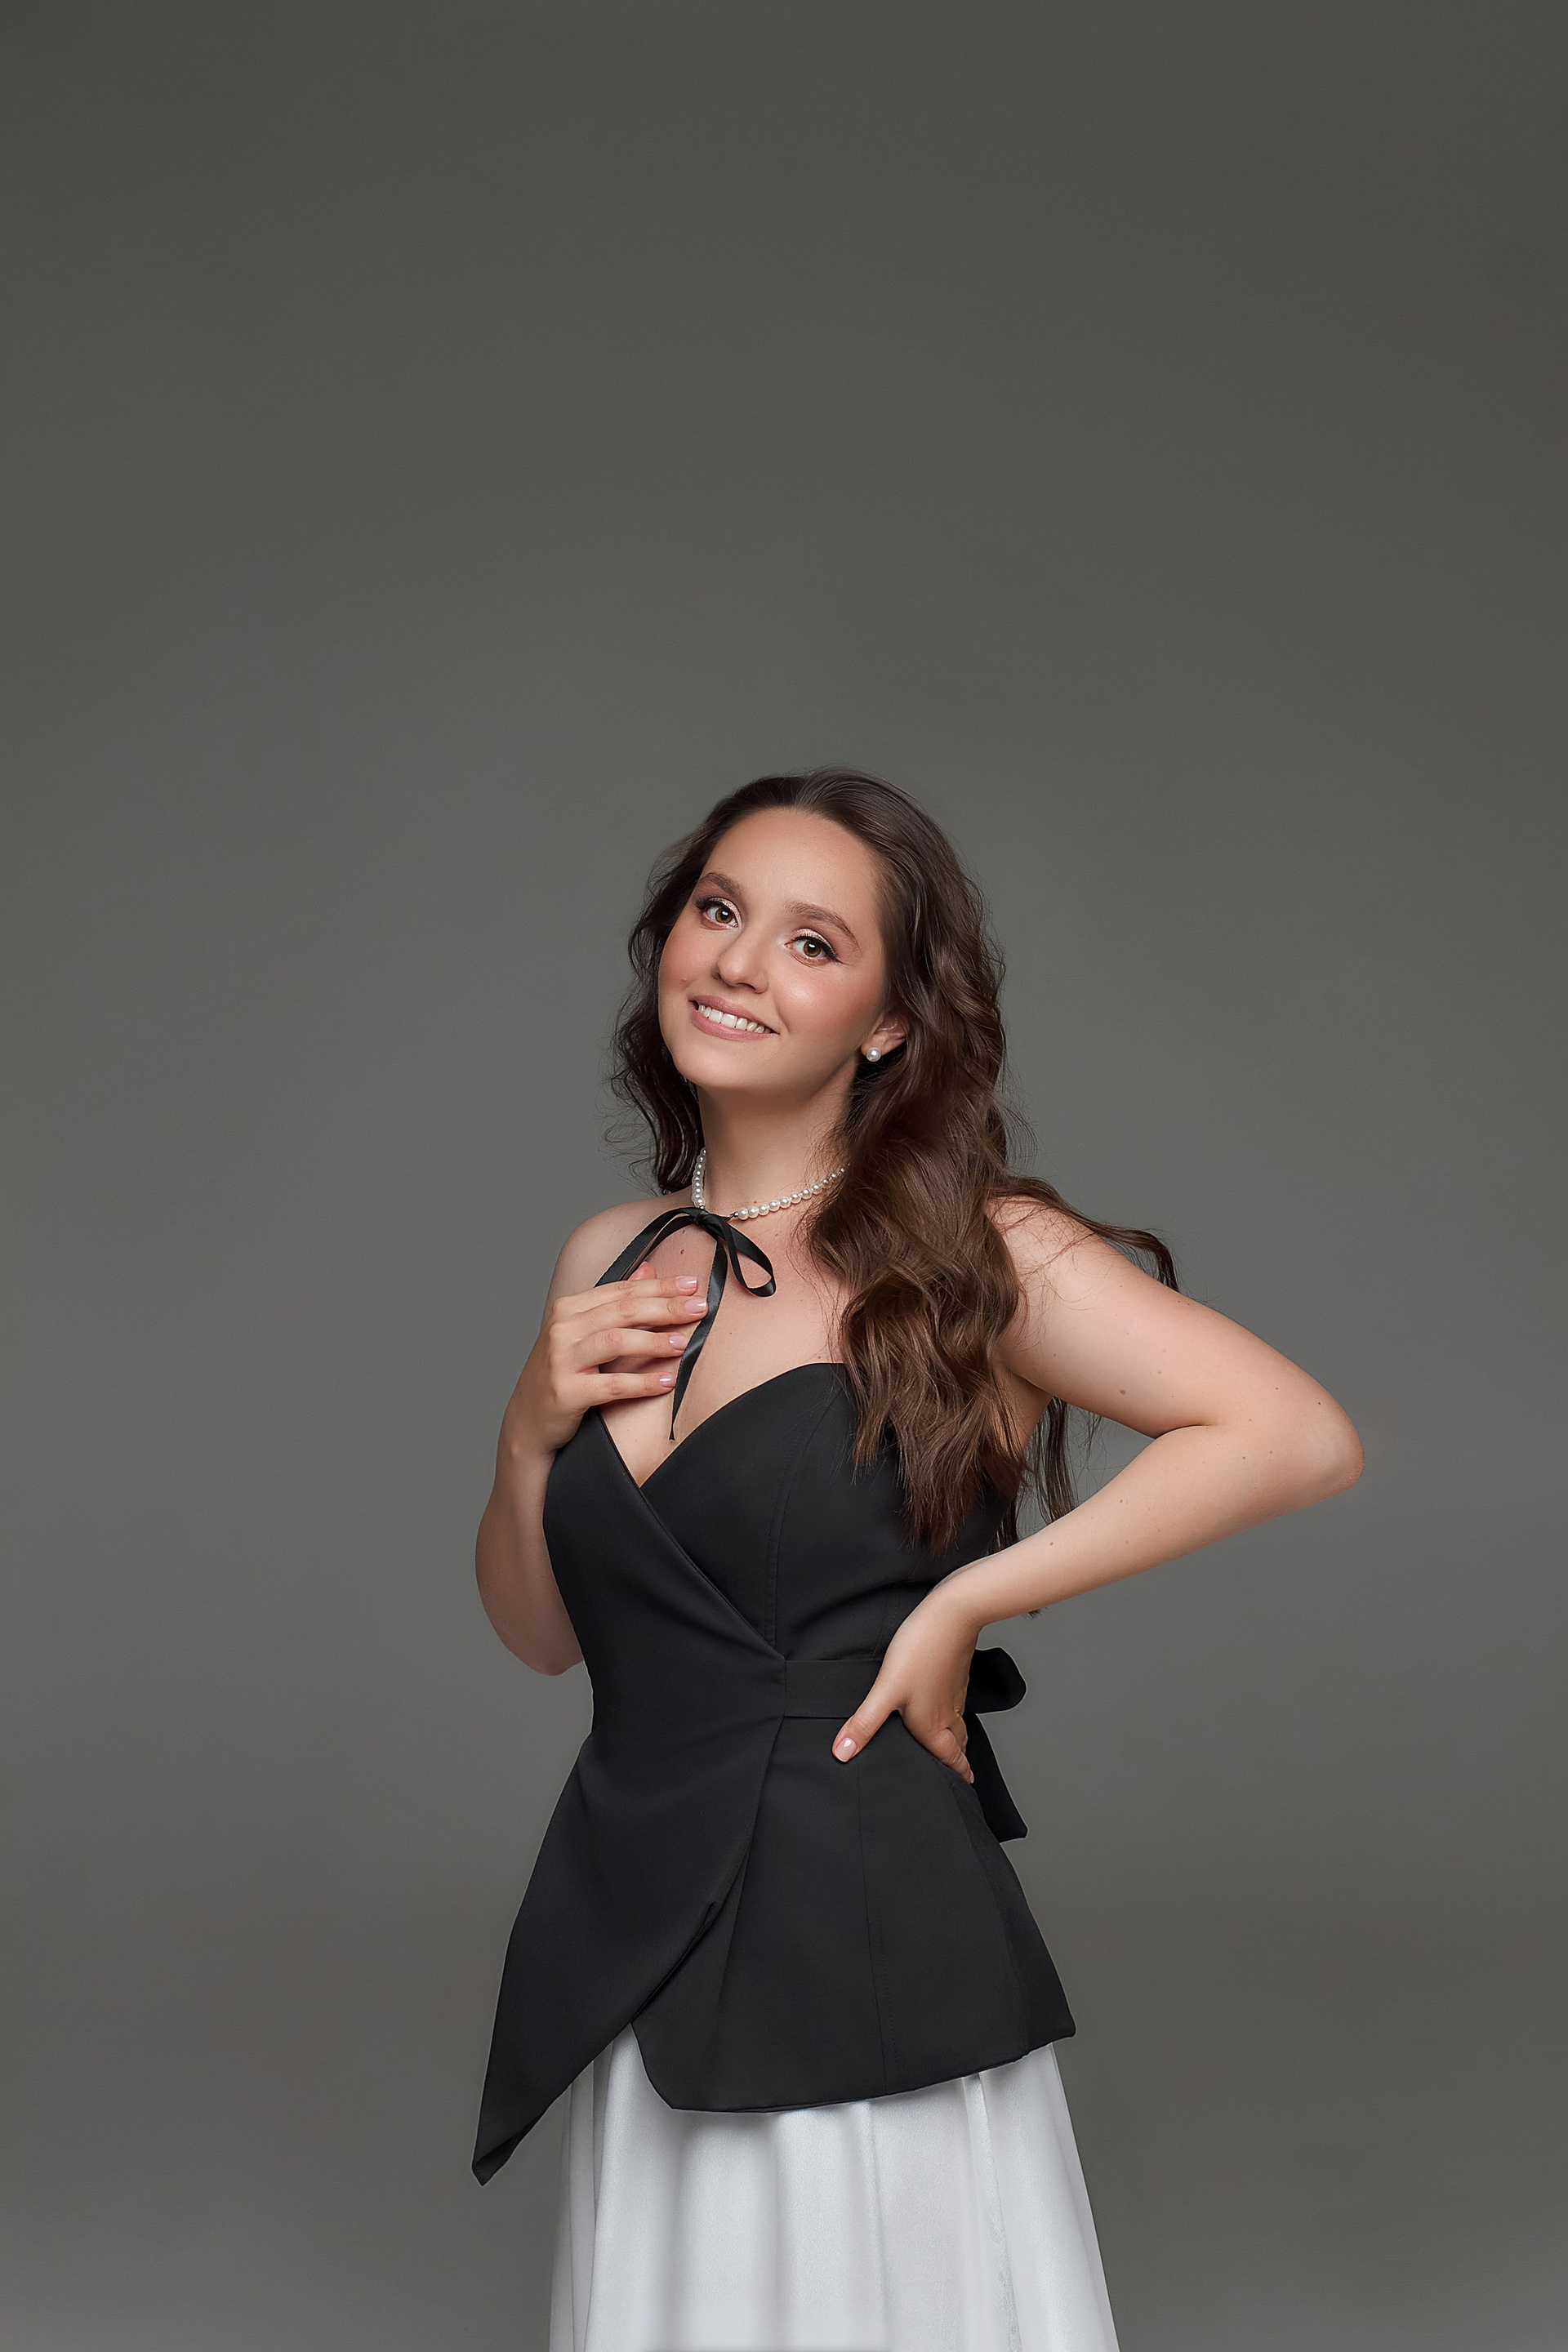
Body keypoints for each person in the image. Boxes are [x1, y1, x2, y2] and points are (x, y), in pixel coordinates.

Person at [470, 767, 1364, 2352]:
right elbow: (546, 1636)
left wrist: (971, 1596)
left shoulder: (971, 1247)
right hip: (637, 1919)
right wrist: (528, 1433)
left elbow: (1295, 1434)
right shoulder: (610, 1257)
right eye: (720, 910)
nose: (740, 962)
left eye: (814, 943)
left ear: (890, 1022)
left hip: (859, 1923)